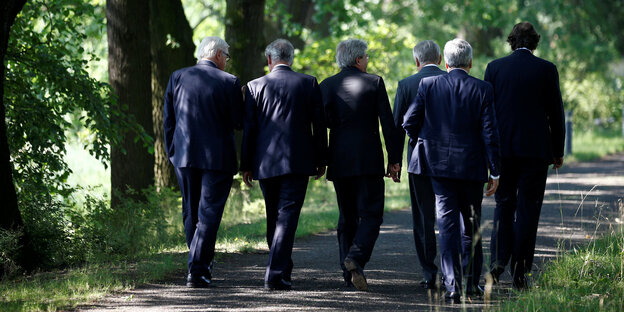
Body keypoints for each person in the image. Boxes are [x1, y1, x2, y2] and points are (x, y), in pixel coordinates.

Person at [403, 39, 500, 302]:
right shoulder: (483, 88)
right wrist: (495, 172)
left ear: (445, 63)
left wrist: (424, 141)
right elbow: (490, 133)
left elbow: (409, 121)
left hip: (438, 167)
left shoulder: (428, 84)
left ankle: (452, 286)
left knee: (446, 226)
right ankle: (470, 285)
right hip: (472, 167)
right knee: (470, 225)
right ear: (470, 63)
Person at [241, 39, 327, 290]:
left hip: (265, 163)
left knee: (274, 217)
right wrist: (322, 159)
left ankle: (281, 268)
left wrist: (246, 164)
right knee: (287, 217)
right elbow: (318, 126)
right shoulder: (308, 83)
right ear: (291, 58)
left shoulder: (255, 86)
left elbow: (250, 130)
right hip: (298, 161)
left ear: (269, 60)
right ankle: (276, 273)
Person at [484, 22, 565, 289]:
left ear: (511, 42)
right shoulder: (546, 69)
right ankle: (521, 272)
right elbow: (556, 113)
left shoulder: (495, 68)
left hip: (504, 150)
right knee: (529, 210)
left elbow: (488, 113)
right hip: (535, 151)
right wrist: (557, 151)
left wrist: (488, 151)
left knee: (504, 205)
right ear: (534, 43)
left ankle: (496, 264)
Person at [320, 38, 401, 291]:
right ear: (358, 60)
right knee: (372, 214)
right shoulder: (374, 82)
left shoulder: (327, 86)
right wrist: (394, 159)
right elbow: (388, 123)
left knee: (347, 217)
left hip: (340, 160)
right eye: (366, 57)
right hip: (368, 160)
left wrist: (321, 160)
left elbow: (320, 125)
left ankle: (348, 275)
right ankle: (355, 257)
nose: (368, 60)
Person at [164, 36, 243, 288]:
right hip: (217, 158)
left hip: (184, 155)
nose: (227, 62)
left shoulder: (177, 76)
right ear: (219, 55)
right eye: (227, 57)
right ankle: (198, 270)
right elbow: (239, 122)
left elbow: (168, 119)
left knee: (190, 211)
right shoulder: (229, 82)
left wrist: (172, 152)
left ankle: (199, 261)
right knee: (208, 213)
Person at [393, 40, 446, 290]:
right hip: (450, 160)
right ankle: (451, 271)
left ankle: (429, 272)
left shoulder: (406, 85)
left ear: (417, 61)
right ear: (438, 59)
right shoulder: (453, 80)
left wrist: (393, 161)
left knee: (423, 217)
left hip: (418, 160)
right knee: (450, 213)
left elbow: (396, 127)